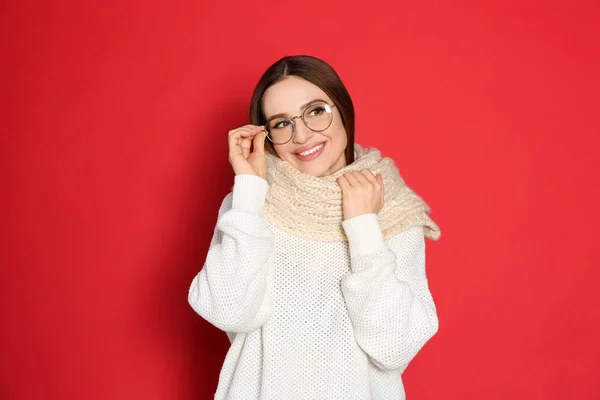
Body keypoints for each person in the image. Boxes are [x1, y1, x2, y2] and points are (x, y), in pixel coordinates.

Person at [188, 55, 441, 400]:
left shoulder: (390, 206)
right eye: (281, 123)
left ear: (343, 109)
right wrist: (249, 188)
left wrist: (364, 228)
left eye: (316, 111)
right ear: (268, 136)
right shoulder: (251, 203)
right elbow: (230, 311)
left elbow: (395, 347)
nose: (302, 135)